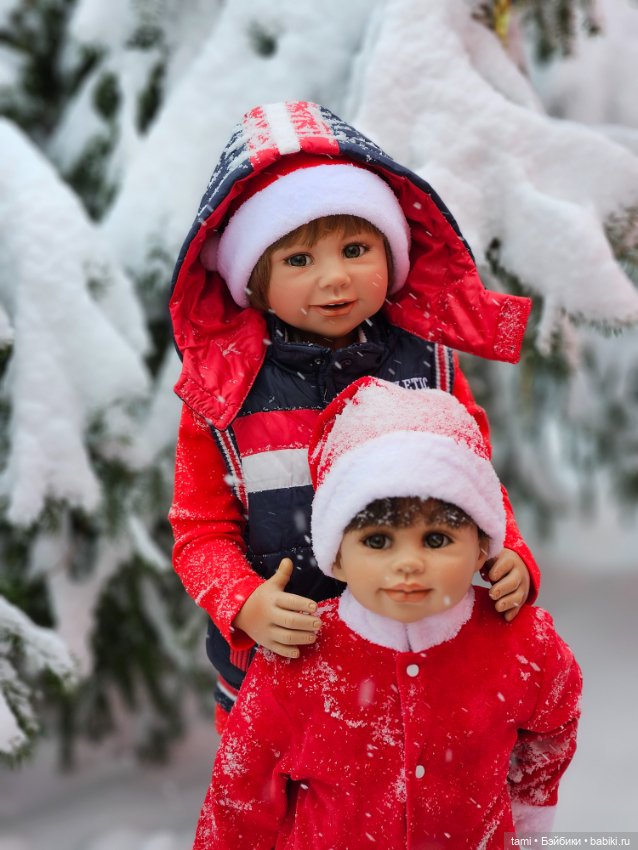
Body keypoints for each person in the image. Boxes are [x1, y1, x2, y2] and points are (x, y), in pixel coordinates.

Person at [169, 100, 539, 730]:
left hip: (417, 653)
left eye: (356, 247)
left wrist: (511, 556)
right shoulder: (226, 393)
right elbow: (199, 527)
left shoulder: (432, 367)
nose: (335, 278)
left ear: (390, 254)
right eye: (298, 260)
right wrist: (243, 603)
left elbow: (474, 486)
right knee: (285, 818)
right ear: (251, 281)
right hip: (286, 666)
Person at [193, 377, 582, 850]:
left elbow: (551, 732)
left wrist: (526, 821)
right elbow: (240, 800)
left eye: (436, 539)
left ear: (483, 546)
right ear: (336, 556)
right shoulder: (295, 659)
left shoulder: (524, 645)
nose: (408, 562)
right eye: (377, 541)